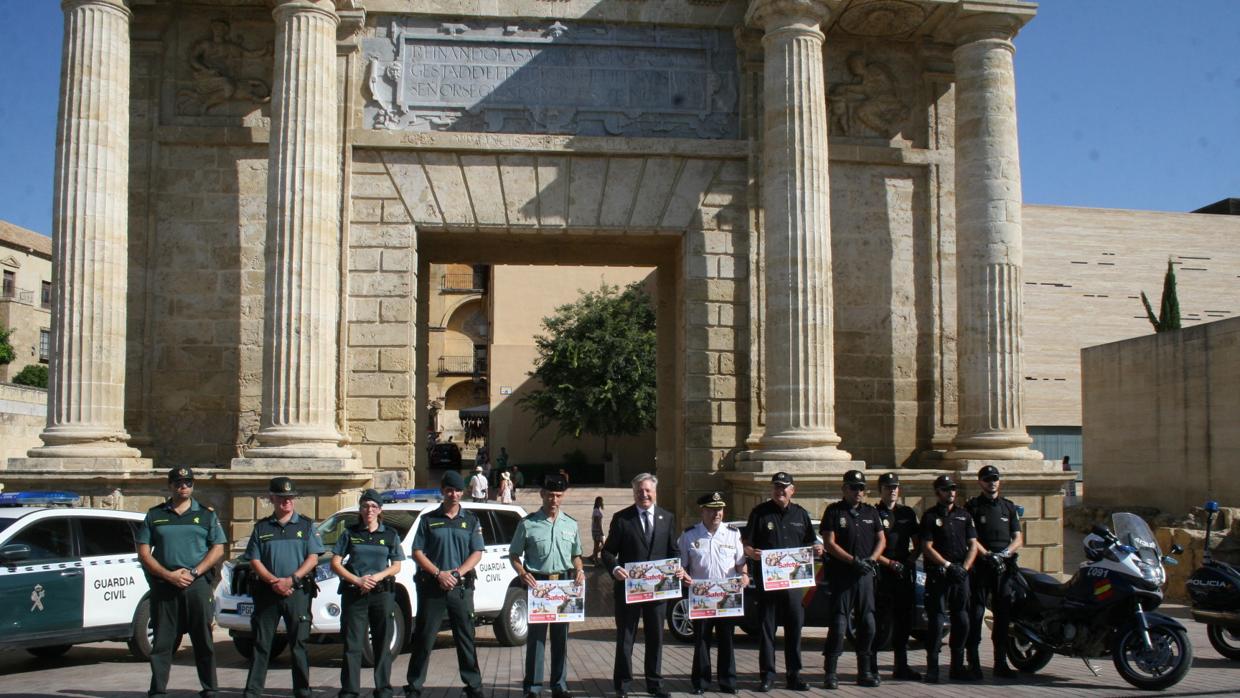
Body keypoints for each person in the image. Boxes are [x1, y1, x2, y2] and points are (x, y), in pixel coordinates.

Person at [136, 466, 227, 698]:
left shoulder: (206, 515)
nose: (183, 486)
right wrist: (168, 575)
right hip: (166, 585)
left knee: (203, 640)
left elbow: (218, 548)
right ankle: (157, 690)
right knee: (163, 641)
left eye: (187, 482)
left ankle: (210, 688)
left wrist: (195, 572)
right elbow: (144, 553)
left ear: (193, 485)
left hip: (196, 585)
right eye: (178, 482)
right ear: (170, 486)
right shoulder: (155, 515)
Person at [602, 473, 687, 698]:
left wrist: (678, 567)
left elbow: (674, 550)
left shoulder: (666, 518)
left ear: (655, 492)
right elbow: (608, 551)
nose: (644, 495)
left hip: (658, 591)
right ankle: (623, 685)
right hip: (629, 590)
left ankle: (654, 683)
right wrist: (614, 568)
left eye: (648, 490)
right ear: (634, 492)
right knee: (625, 638)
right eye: (640, 491)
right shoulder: (622, 519)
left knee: (656, 637)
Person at [404, 471, 485, 698]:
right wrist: (439, 573)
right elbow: (417, 552)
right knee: (424, 638)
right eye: (449, 490)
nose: (454, 494)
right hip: (433, 588)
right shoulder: (428, 519)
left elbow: (477, 552)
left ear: (463, 492)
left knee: (465, 637)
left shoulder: (470, 521)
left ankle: (473, 685)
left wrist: (457, 574)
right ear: (442, 491)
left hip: (460, 589)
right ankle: (414, 685)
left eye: (458, 490)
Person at [242, 477, 325, 698]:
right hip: (267, 593)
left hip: (297, 592)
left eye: (290, 498)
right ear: (272, 498)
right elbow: (254, 560)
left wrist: (292, 580)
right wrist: (273, 581)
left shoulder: (306, 525)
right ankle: (253, 690)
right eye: (281, 498)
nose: (286, 502)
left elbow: (313, 558)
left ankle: (302, 689)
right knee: (261, 644)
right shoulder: (262, 527)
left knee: (299, 643)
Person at [742, 472, 823, 692]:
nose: (780, 490)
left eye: (784, 487)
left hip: (794, 585)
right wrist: (752, 554)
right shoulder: (760, 513)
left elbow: (811, 543)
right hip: (768, 583)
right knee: (767, 630)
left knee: (794, 629)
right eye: (777, 487)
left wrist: (818, 548)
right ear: (772, 489)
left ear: (792, 490)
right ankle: (767, 675)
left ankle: (793, 675)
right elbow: (746, 544)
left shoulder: (801, 514)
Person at [509, 475, 585, 698]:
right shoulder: (528, 523)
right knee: (537, 639)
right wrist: (522, 573)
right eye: (550, 495)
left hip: (563, 585)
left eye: (558, 495)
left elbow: (577, 555)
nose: (554, 499)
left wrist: (579, 569)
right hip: (539, 585)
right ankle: (533, 687)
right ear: (542, 494)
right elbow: (514, 554)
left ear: (563, 497)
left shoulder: (570, 524)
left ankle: (559, 685)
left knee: (561, 639)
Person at [331, 488, 406, 698]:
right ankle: (350, 690)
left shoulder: (389, 534)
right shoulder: (349, 533)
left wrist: (377, 577)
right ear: (360, 509)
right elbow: (335, 563)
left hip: (381, 594)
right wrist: (357, 579)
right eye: (365, 506)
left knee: (382, 643)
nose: (369, 510)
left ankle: (383, 689)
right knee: (352, 644)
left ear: (380, 509)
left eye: (373, 506)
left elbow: (397, 565)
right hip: (355, 594)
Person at [820, 470, 885, 689]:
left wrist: (873, 560)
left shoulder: (871, 512)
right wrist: (852, 560)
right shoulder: (833, 511)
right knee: (839, 624)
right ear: (844, 489)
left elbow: (881, 539)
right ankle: (830, 672)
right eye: (854, 487)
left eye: (862, 488)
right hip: (842, 575)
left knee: (868, 624)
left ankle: (864, 671)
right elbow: (829, 543)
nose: (859, 492)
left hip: (865, 575)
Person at [679, 491, 748, 695]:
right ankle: (700, 682)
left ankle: (728, 681)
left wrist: (745, 575)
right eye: (712, 510)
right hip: (702, 596)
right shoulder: (690, 535)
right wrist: (683, 575)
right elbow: (681, 565)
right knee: (701, 640)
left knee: (726, 638)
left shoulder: (733, 534)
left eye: (719, 509)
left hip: (727, 596)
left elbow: (741, 564)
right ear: (703, 510)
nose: (716, 514)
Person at [965, 465, 1023, 679]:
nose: (992, 482)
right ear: (980, 482)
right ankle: (973, 662)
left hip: (1004, 568)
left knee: (1003, 617)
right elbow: (971, 539)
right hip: (981, 567)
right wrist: (988, 555)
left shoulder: (1008, 507)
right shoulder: (973, 507)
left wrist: (1004, 554)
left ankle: (1001, 663)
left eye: (995, 479)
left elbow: (1018, 538)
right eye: (987, 479)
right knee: (976, 614)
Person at [920, 474, 979, 683]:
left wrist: (964, 567)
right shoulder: (929, 516)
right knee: (936, 621)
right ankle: (933, 667)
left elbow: (973, 544)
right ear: (938, 492)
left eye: (953, 489)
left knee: (962, 619)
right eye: (946, 489)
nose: (951, 493)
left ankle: (957, 666)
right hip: (940, 574)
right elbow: (926, 547)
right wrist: (947, 565)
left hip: (960, 575)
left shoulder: (964, 515)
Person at [872, 472, 922, 681]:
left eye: (895, 487)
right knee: (879, 622)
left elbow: (918, 543)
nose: (892, 490)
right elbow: (871, 547)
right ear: (880, 490)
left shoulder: (907, 513)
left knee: (903, 622)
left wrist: (909, 561)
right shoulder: (873, 513)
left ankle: (901, 666)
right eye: (887, 487)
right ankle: (870, 667)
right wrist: (889, 563)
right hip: (883, 572)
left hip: (903, 572)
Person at [590, 497, 606, 564]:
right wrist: (602, 532)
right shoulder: (596, 511)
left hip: (595, 530)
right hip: (597, 531)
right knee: (602, 545)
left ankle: (593, 557)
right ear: (598, 502)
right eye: (601, 501)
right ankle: (595, 559)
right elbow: (598, 523)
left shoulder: (596, 510)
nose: (602, 503)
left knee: (597, 546)